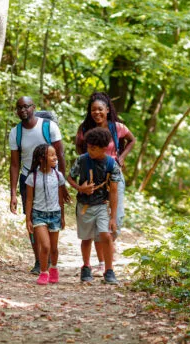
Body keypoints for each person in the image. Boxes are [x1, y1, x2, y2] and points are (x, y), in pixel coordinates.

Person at [75, 92, 136, 275]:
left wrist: (122, 157)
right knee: (96, 217)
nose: (97, 113)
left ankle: (108, 245)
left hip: (114, 175)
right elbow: (80, 150)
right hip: (93, 178)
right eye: (93, 110)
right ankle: (102, 262)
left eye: (100, 109)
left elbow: (132, 140)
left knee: (116, 218)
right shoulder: (84, 128)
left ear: (107, 110)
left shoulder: (117, 127)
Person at [9, 96, 69, 274]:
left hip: (51, 178)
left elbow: (61, 155)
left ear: (33, 107)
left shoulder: (49, 127)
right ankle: (38, 260)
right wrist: (13, 193)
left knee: (52, 215)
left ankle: (50, 256)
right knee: (33, 218)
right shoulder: (15, 132)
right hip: (29, 178)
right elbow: (14, 164)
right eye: (19, 107)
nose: (23, 110)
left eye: (26, 106)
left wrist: (63, 184)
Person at [67, 127, 122, 285]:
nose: (90, 150)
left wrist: (113, 216)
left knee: (105, 235)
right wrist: (80, 188)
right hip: (85, 205)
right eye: (88, 147)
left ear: (104, 148)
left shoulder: (112, 164)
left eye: (93, 148)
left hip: (102, 205)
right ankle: (86, 266)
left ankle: (109, 270)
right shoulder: (82, 160)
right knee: (86, 238)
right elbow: (70, 178)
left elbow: (114, 191)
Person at [25, 144, 67, 285]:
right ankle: (44, 272)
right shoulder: (33, 177)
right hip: (39, 214)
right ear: (42, 158)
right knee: (46, 246)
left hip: (55, 214)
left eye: (55, 154)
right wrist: (28, 219)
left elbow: (60, 197)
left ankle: (54, 268)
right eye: (51, 155)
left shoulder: (57, 175)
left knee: (54, 248)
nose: (55, 157)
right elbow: (29, 199)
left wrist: (62, 216)